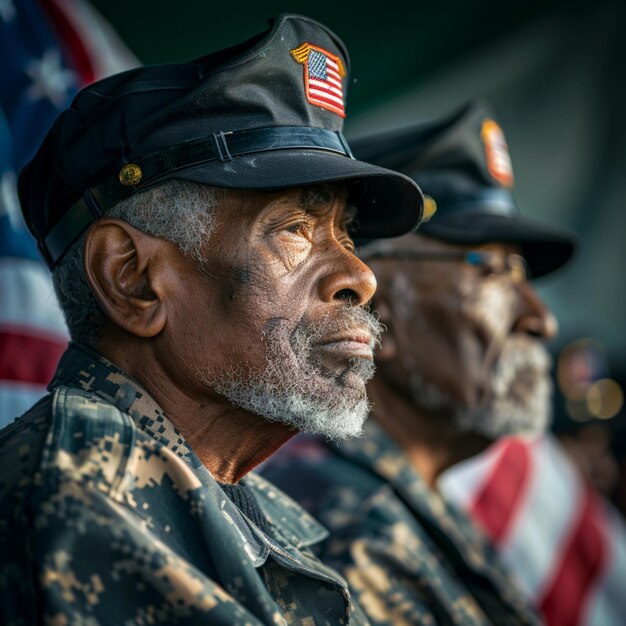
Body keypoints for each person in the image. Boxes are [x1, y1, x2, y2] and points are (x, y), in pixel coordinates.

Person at [0, 13, 424, 625]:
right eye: (295, 230)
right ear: (133, 279)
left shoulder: (211, 502)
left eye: (346, 233)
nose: (360, 276)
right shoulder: (79, 493)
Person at [262, 99, 576, 626]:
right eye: (492, 271)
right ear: (375, 313)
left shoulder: (401, 507)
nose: (540, 319)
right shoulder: (344, 530)